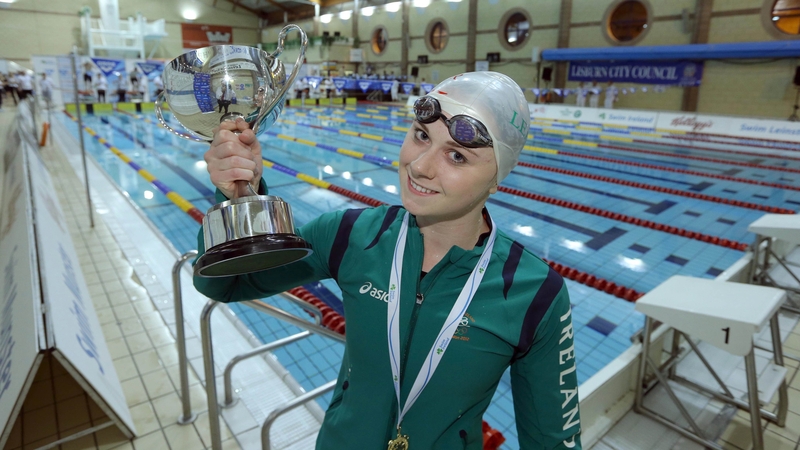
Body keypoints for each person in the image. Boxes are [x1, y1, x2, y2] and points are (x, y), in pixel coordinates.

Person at [194, 71, 582, 449]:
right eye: (421, 135)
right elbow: (223, 282)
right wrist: (238, 198)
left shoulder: (534, 293)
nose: (420, 166)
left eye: (458, 156)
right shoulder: (351, 234)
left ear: (498, 177)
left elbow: (554, 441)